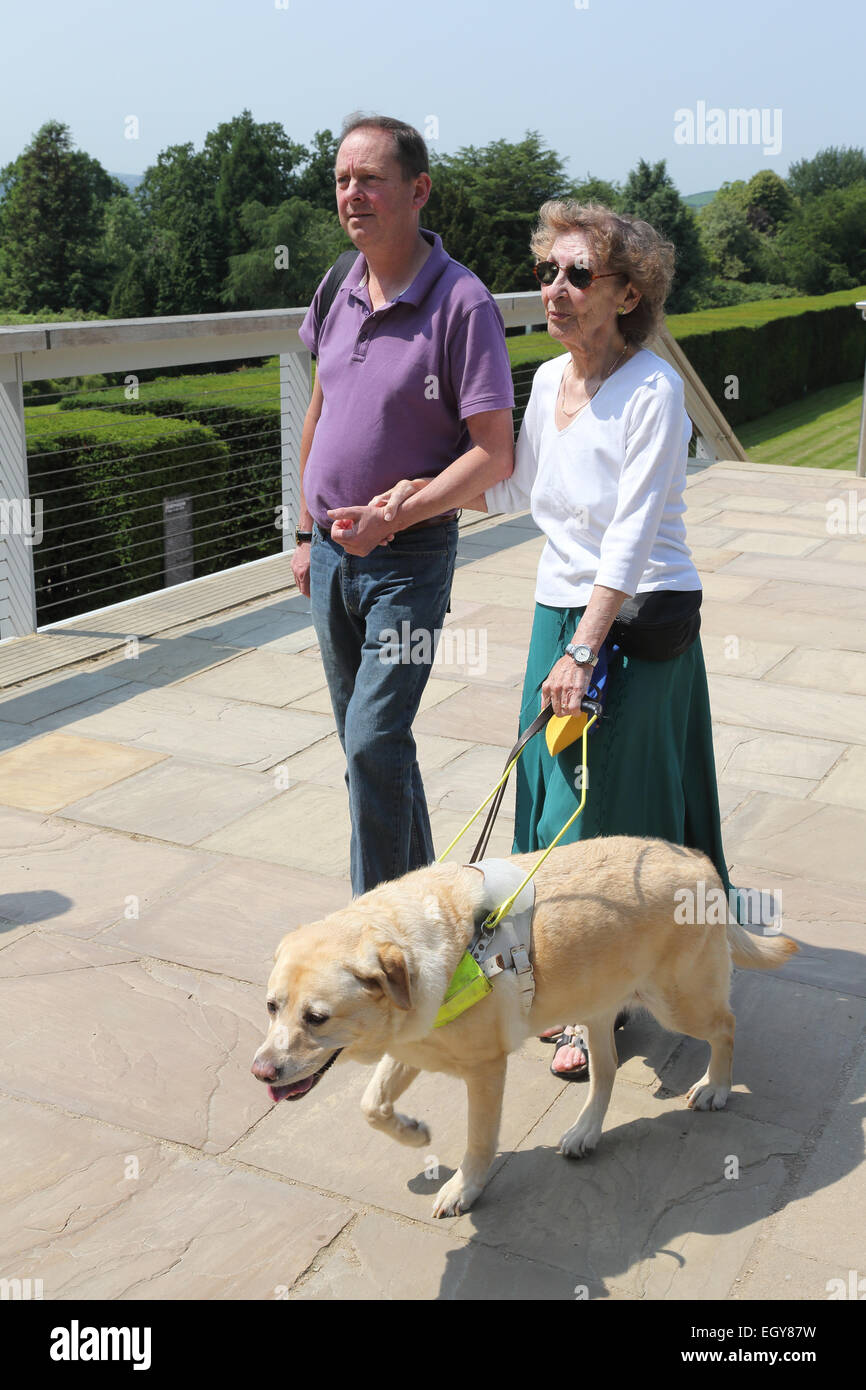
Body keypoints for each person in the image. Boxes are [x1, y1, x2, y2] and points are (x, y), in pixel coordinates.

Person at [376, 200, 741, 1081]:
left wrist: (585, 648)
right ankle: (572, 973)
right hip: (560, 616)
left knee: (618, 804)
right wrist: (410, 500)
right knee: (554, 796)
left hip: (634, 619)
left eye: (581, 275)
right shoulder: (546, 383)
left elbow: (629, 534)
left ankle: (612, 994)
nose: (559, 289)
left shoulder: (653, 389)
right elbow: (513, 494)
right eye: (550, 272)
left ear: (628, 292)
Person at [293, 114, 514, 897]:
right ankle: (427, 913)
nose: (353, 194)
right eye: (343, 180)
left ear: (417, 190)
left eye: (371, 179)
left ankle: (378, 937)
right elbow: (318, 410)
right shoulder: (337, 282)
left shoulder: (463, 304)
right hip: (328, 557)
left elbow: (495, 453)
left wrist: (397, 515)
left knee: (372, 742)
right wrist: (300, 531)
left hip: (407, 564)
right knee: (371, 751)